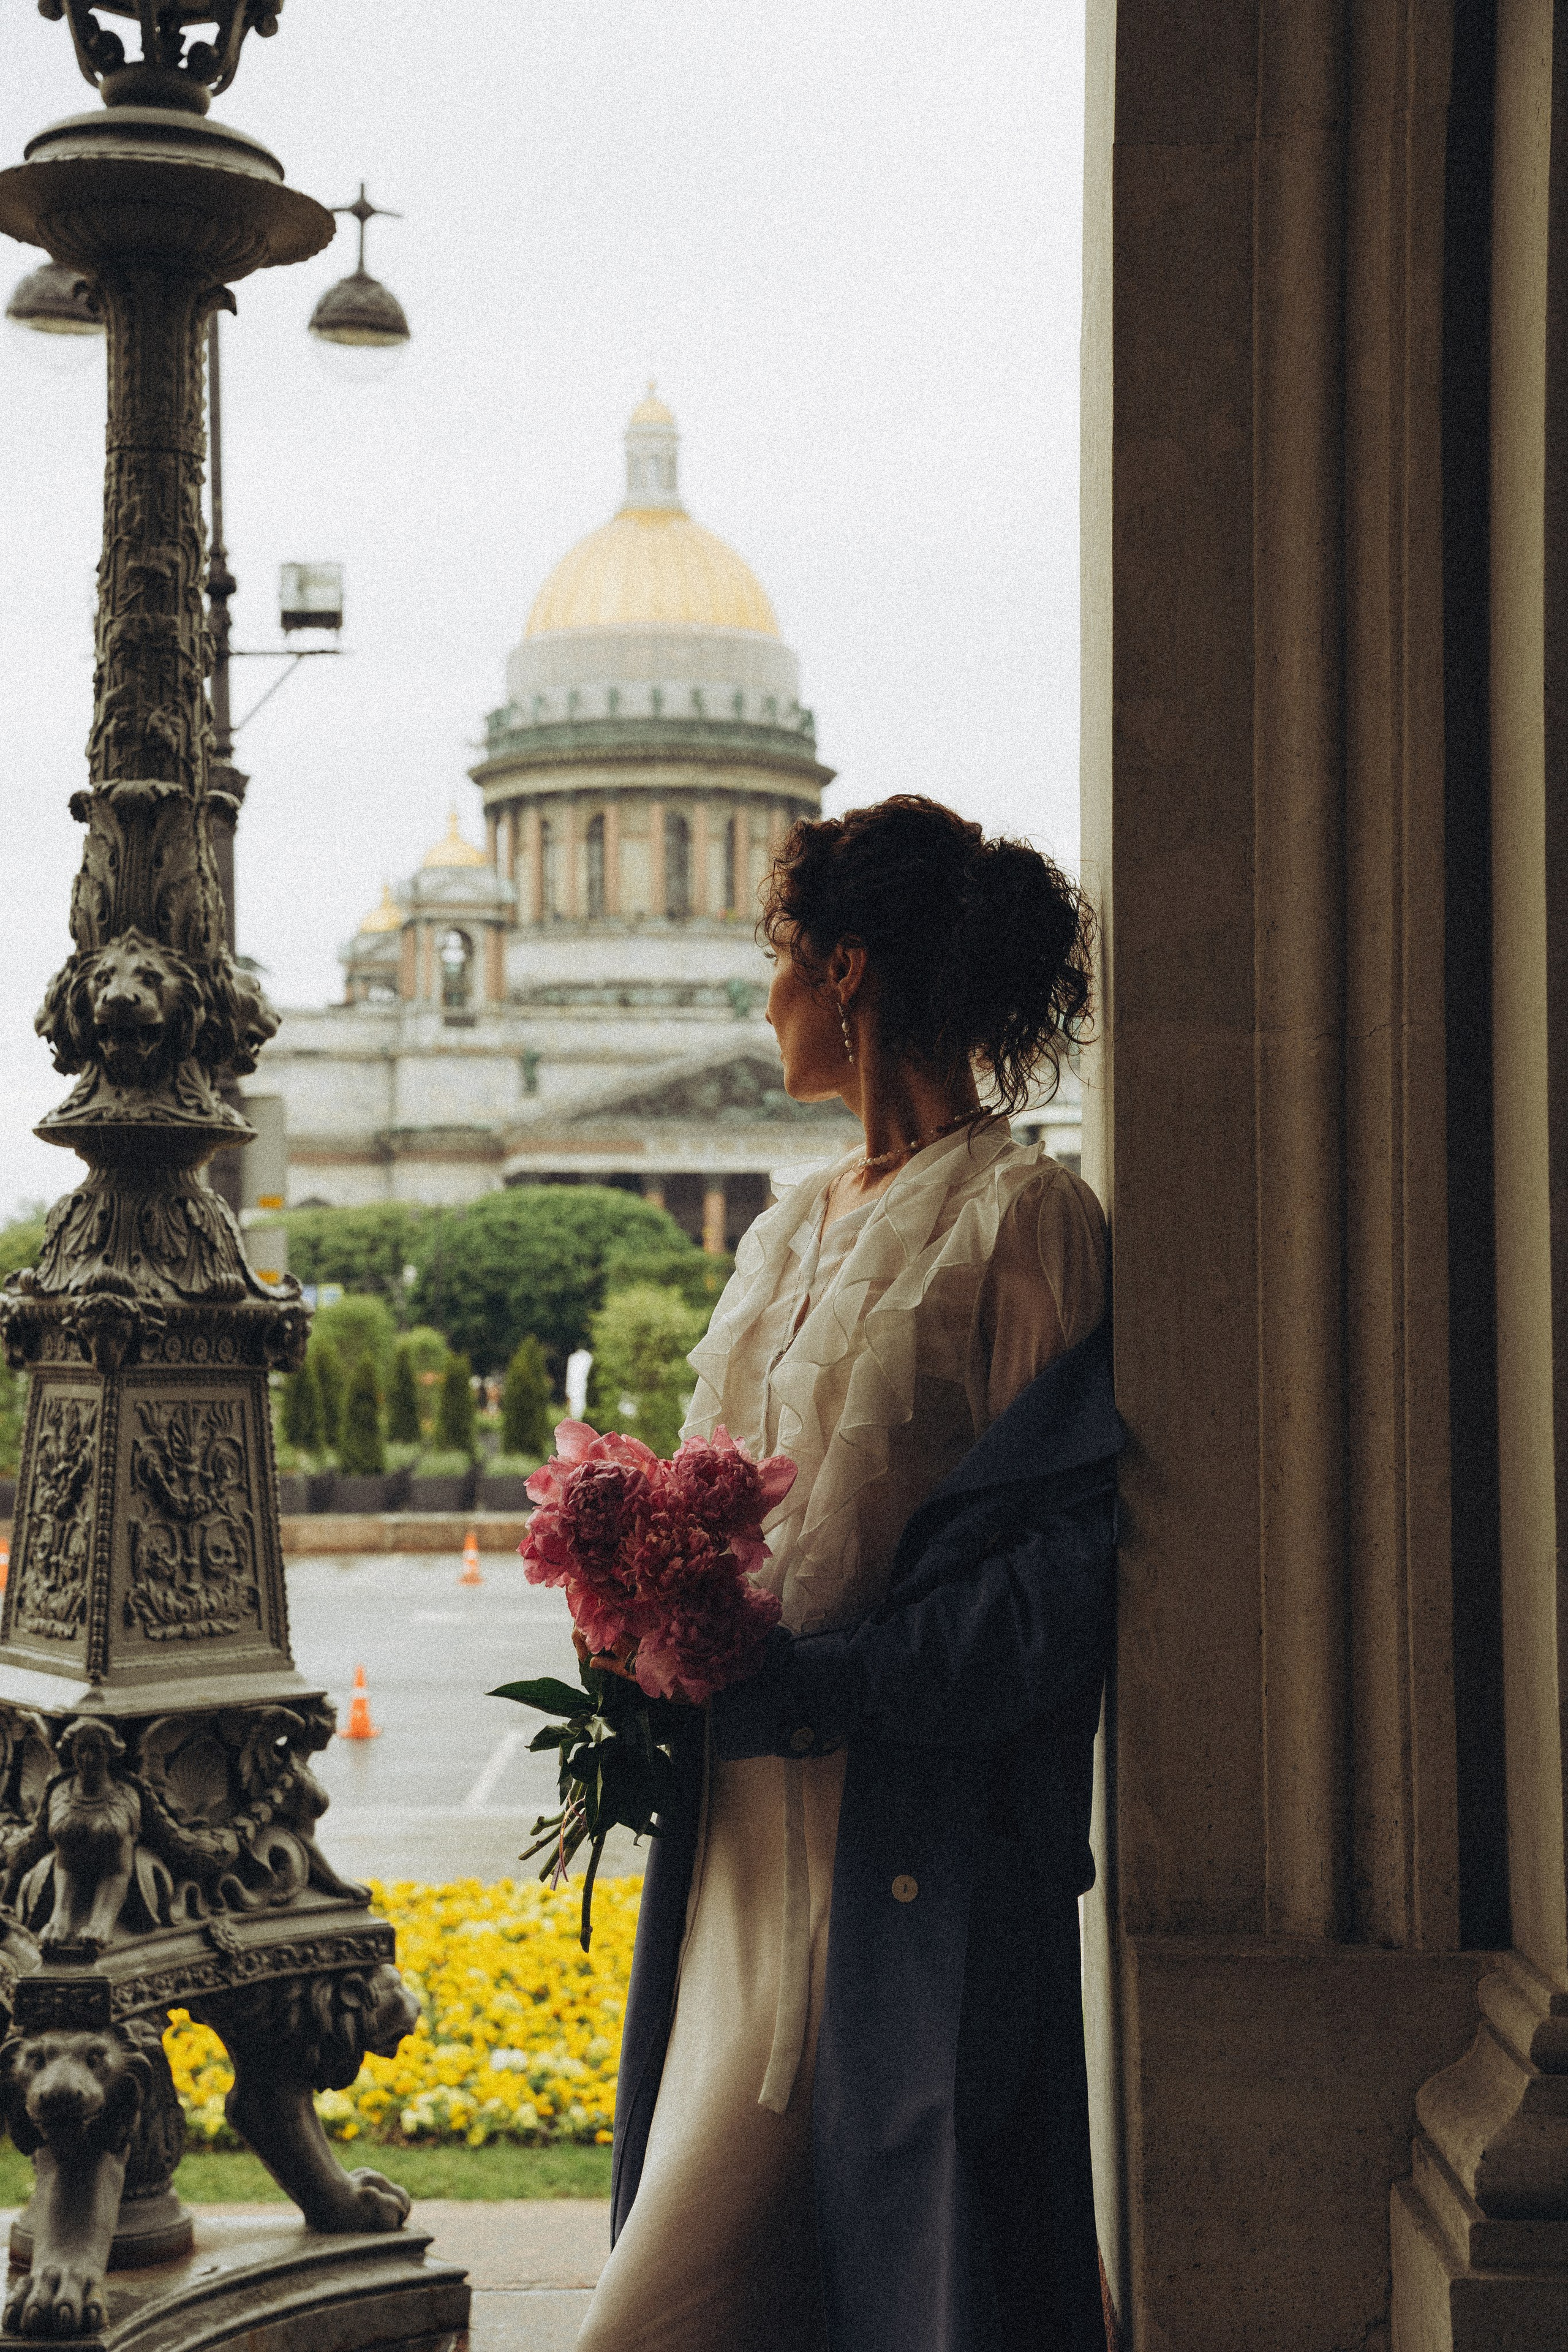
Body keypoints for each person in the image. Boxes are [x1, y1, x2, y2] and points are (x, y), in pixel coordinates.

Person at [576, 796, 1121, 2352]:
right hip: (743, 1845)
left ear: (849, 970)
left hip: (912, 1855)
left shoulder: (1024, 1221)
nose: (763, 997)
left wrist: (817, 1679)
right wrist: (631, 1587)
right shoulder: (785, 1225)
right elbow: (719, 1501)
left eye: (779, 956)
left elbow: (1055, 1584)